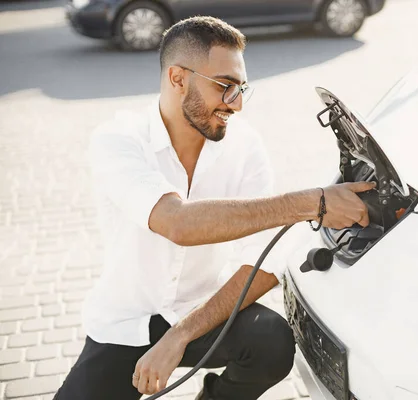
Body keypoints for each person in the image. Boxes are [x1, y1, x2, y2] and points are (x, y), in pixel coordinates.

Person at [53, 15, 374, 400]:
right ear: (177, 79)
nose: (236, 104)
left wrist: (181, 334)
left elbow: (263, 263)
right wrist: (311, 203)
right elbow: (178, 223)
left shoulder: (245, 146)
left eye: (241, 88)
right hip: (125, 323)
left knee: (271, 341)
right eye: (225, 86)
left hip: (202, 313)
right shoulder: (118, 140)